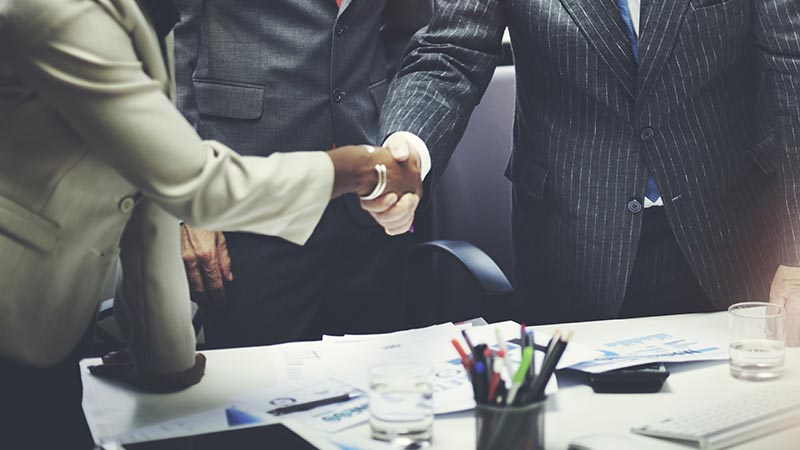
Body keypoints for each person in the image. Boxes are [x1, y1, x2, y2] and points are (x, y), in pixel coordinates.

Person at [0, 0, 421, 448]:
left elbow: (150, 189)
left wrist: (165, 360)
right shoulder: (57, 14)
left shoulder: (134, 16)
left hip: (60, 303)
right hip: (17, 301)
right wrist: (352, 170)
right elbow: (192, 184)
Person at [377, 0, 800, 339]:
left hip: (735, 244)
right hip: (573, 248)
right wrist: (410, 152)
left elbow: (792, 67)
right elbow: (451, 52)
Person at [174, 0, 433, 348]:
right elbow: (169, 49)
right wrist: (189, 205)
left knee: (375, 384)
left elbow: (413, 37)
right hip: (248, 201)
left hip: (370, 202)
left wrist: (394, 141)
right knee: (257, 392)